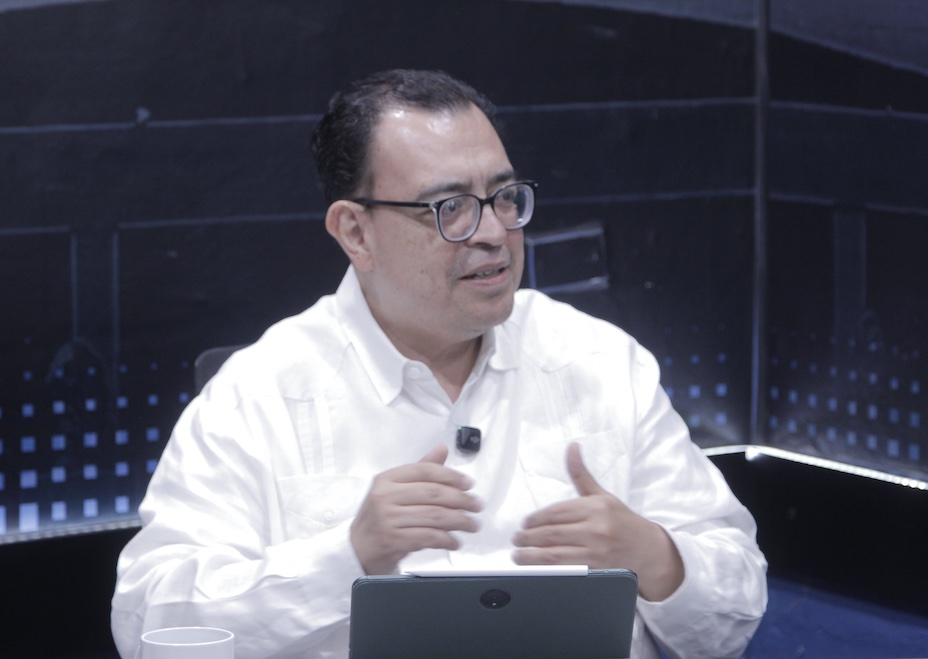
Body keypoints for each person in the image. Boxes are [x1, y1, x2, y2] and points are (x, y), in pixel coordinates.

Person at [111, 69, 767, 659]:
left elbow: (734, 606)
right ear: (355, 232)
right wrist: (346, 558)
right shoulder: (260, 394)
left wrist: (654, 557)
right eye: (449, 208)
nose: (493, 232)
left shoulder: (600, 361)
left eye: (504, 196)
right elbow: (150, 625)